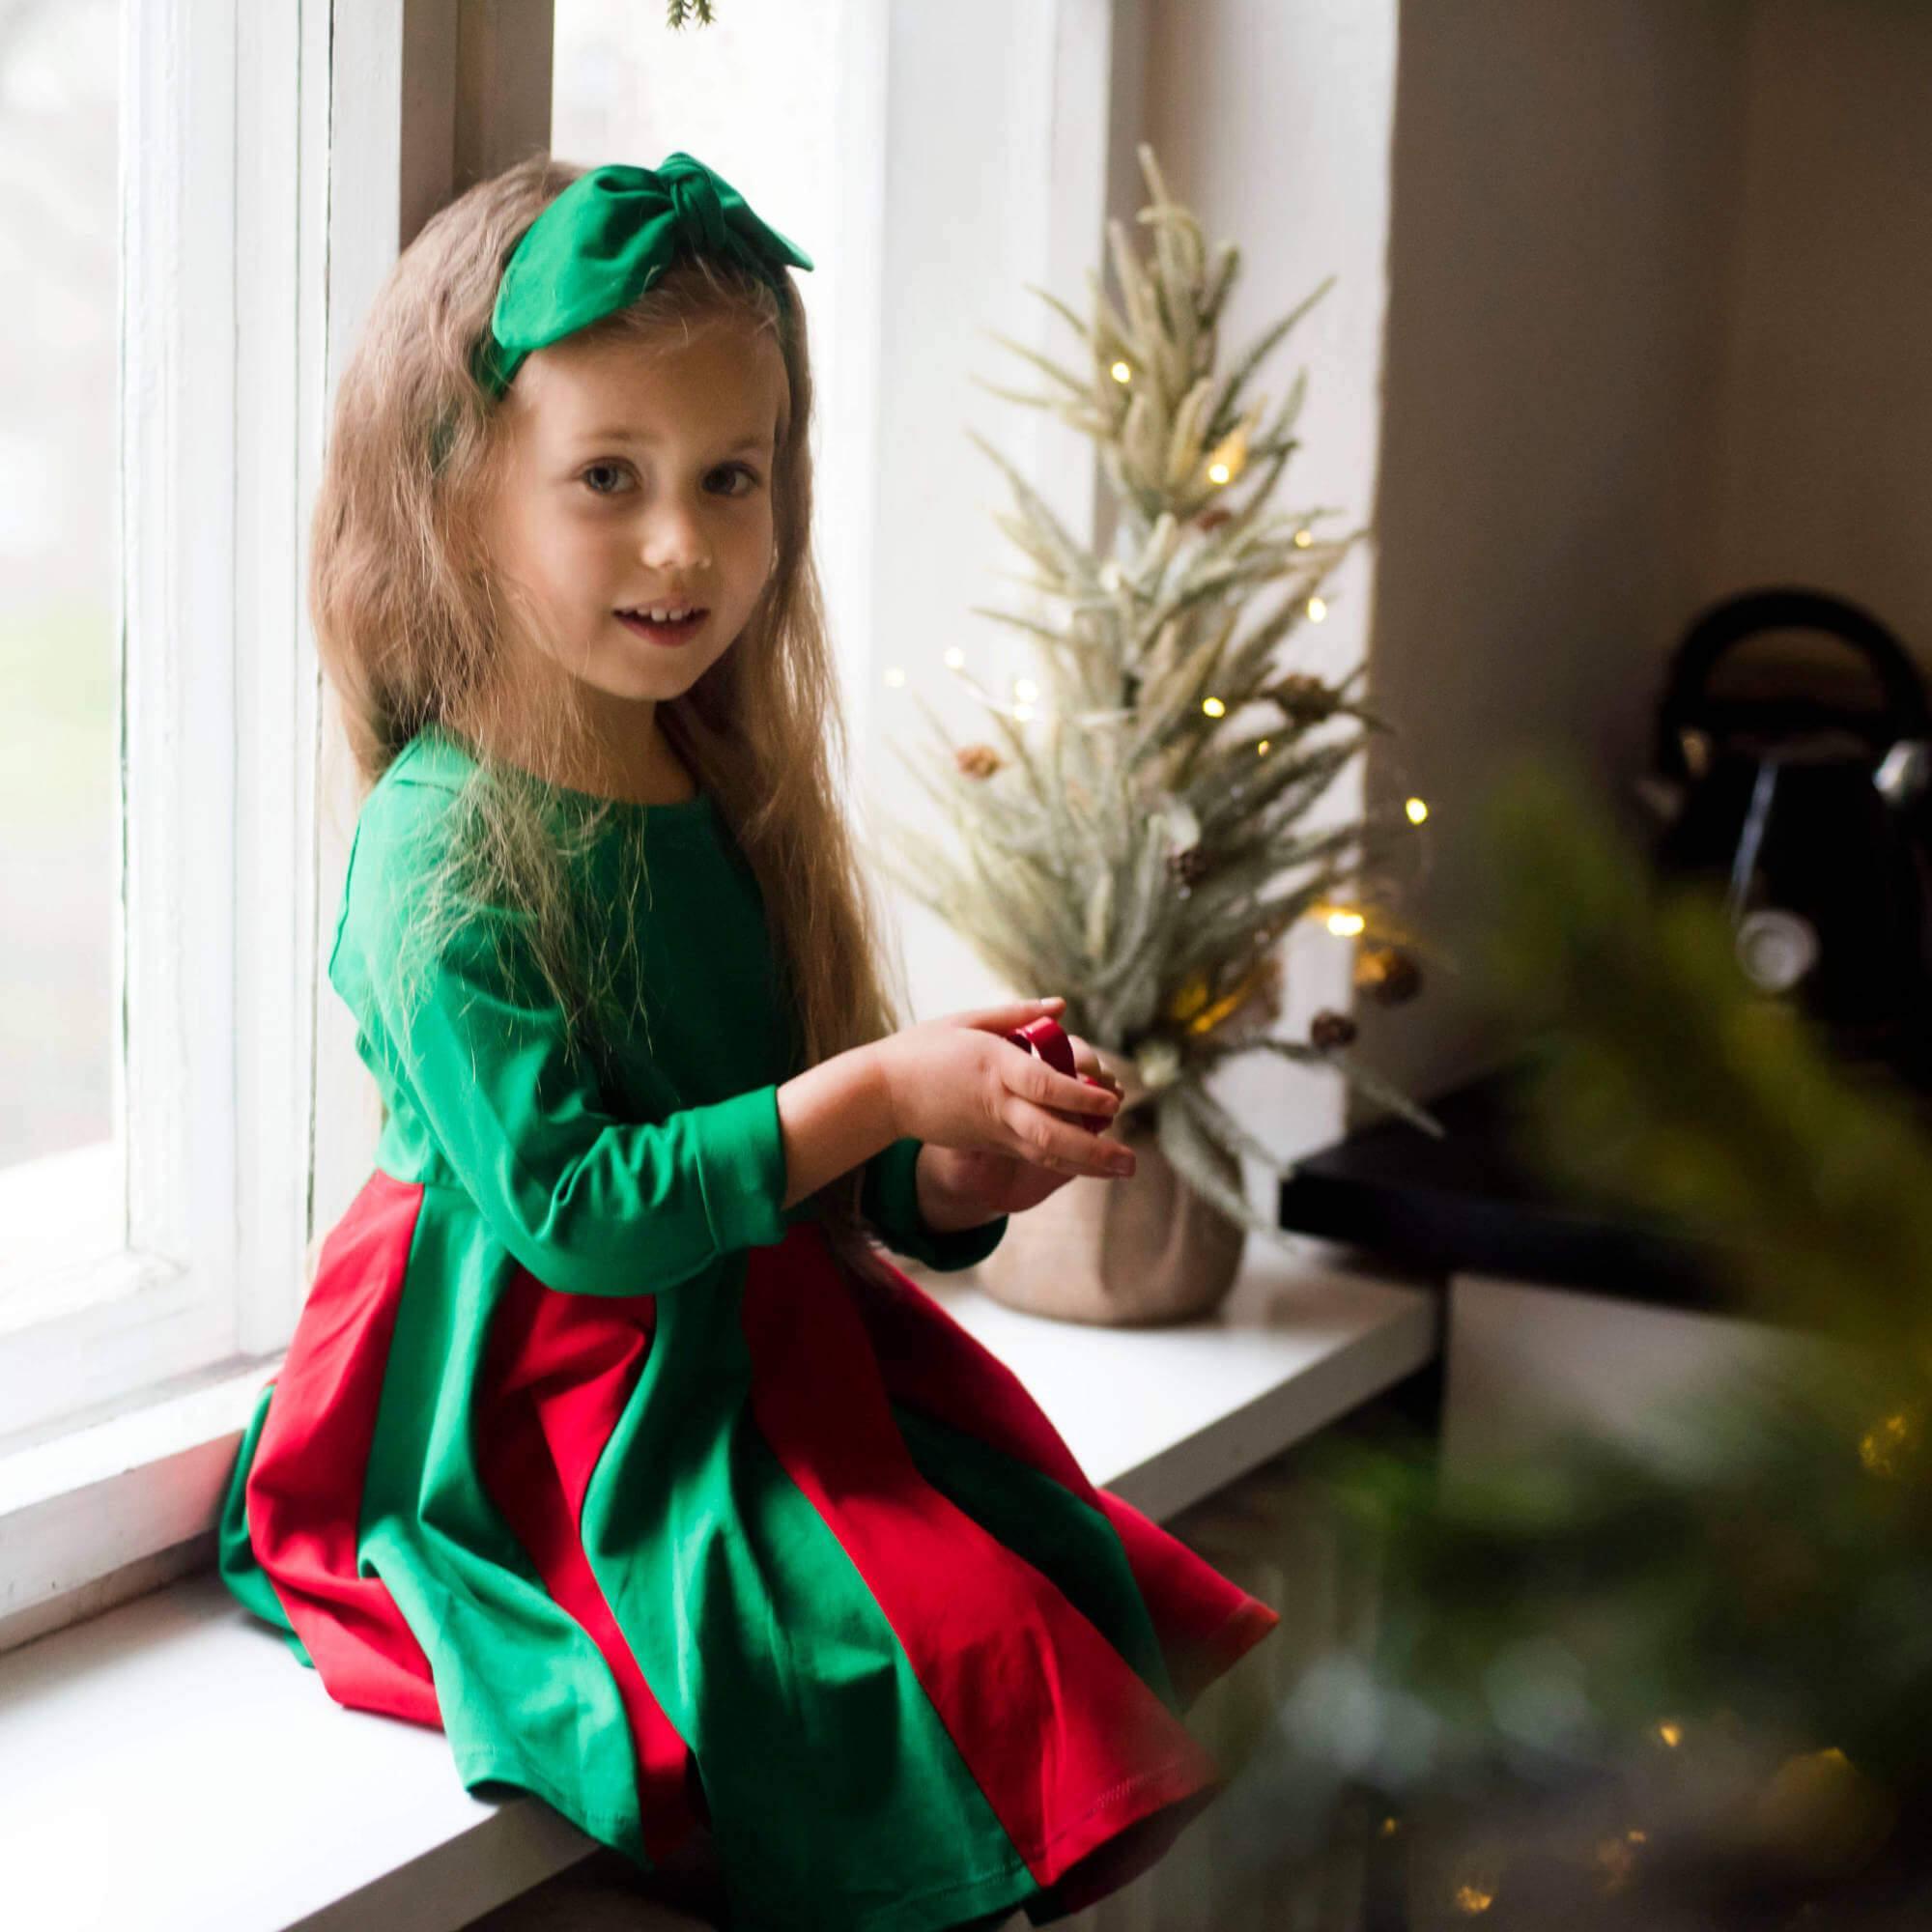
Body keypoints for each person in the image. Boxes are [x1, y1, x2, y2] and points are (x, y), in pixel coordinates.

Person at [215, 151, 1281, 1932]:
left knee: (1040, 1575)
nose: (682, 543)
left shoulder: (719, 775)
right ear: (462, 494)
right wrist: (873, 1088)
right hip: (540, 1392)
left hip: (750, 1330)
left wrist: (952, 1159)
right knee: (916, 1639)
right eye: (607, 480)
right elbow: (572, 1206)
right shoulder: (438, 835)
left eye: (733, 476)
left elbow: (820, 1167)